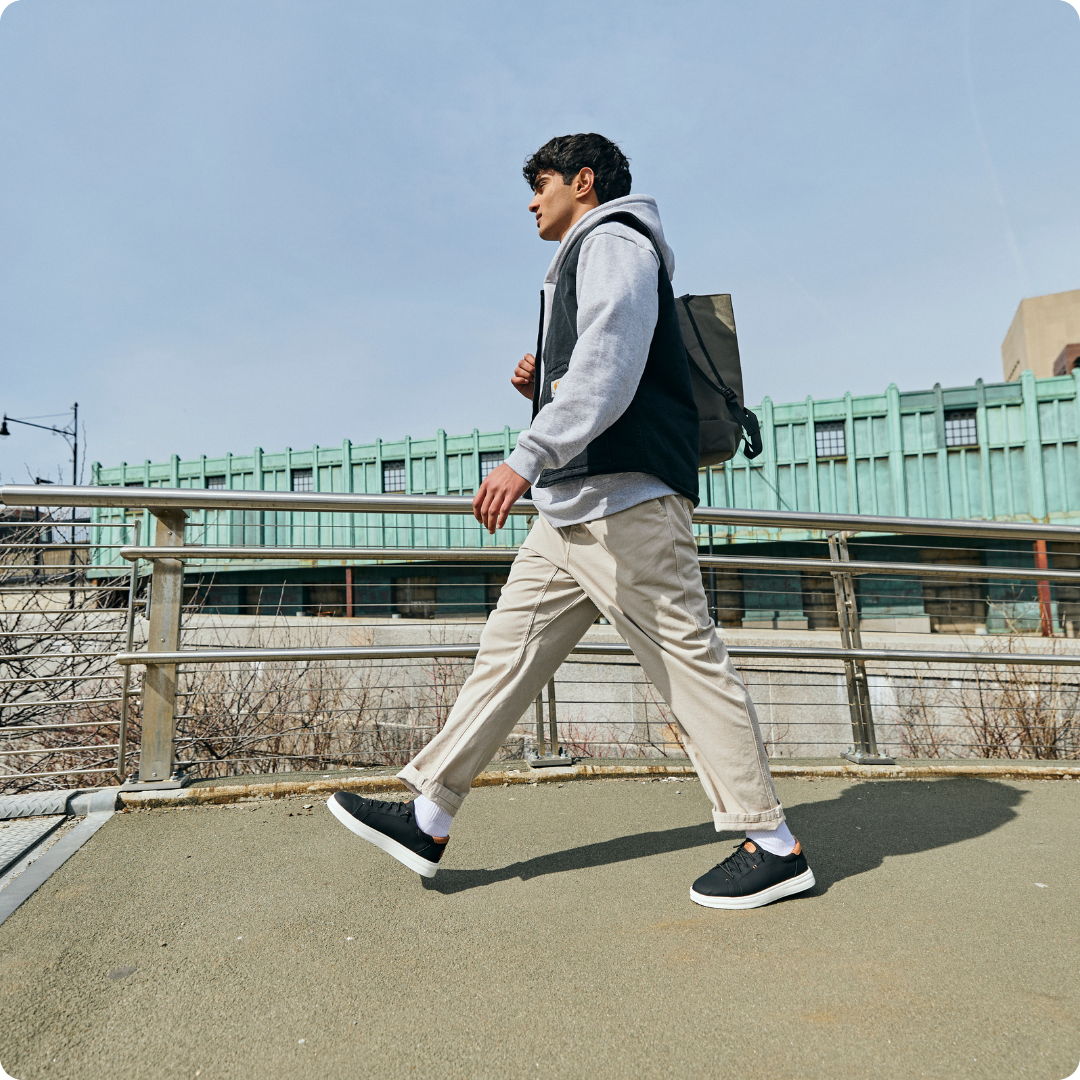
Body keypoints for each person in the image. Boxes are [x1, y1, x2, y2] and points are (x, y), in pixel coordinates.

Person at [327, 133, 815, 909]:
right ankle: (429, 813)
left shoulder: (615, 240)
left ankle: (774, 842)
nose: (532, 201)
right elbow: (594, 367)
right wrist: (541, 385)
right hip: (574, 512)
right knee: (506, 655)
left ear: (583, 183)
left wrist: (527, 452)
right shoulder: (583, 258)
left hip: (627, 510)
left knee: (688, 670)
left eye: (542, 184)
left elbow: (611, 366)